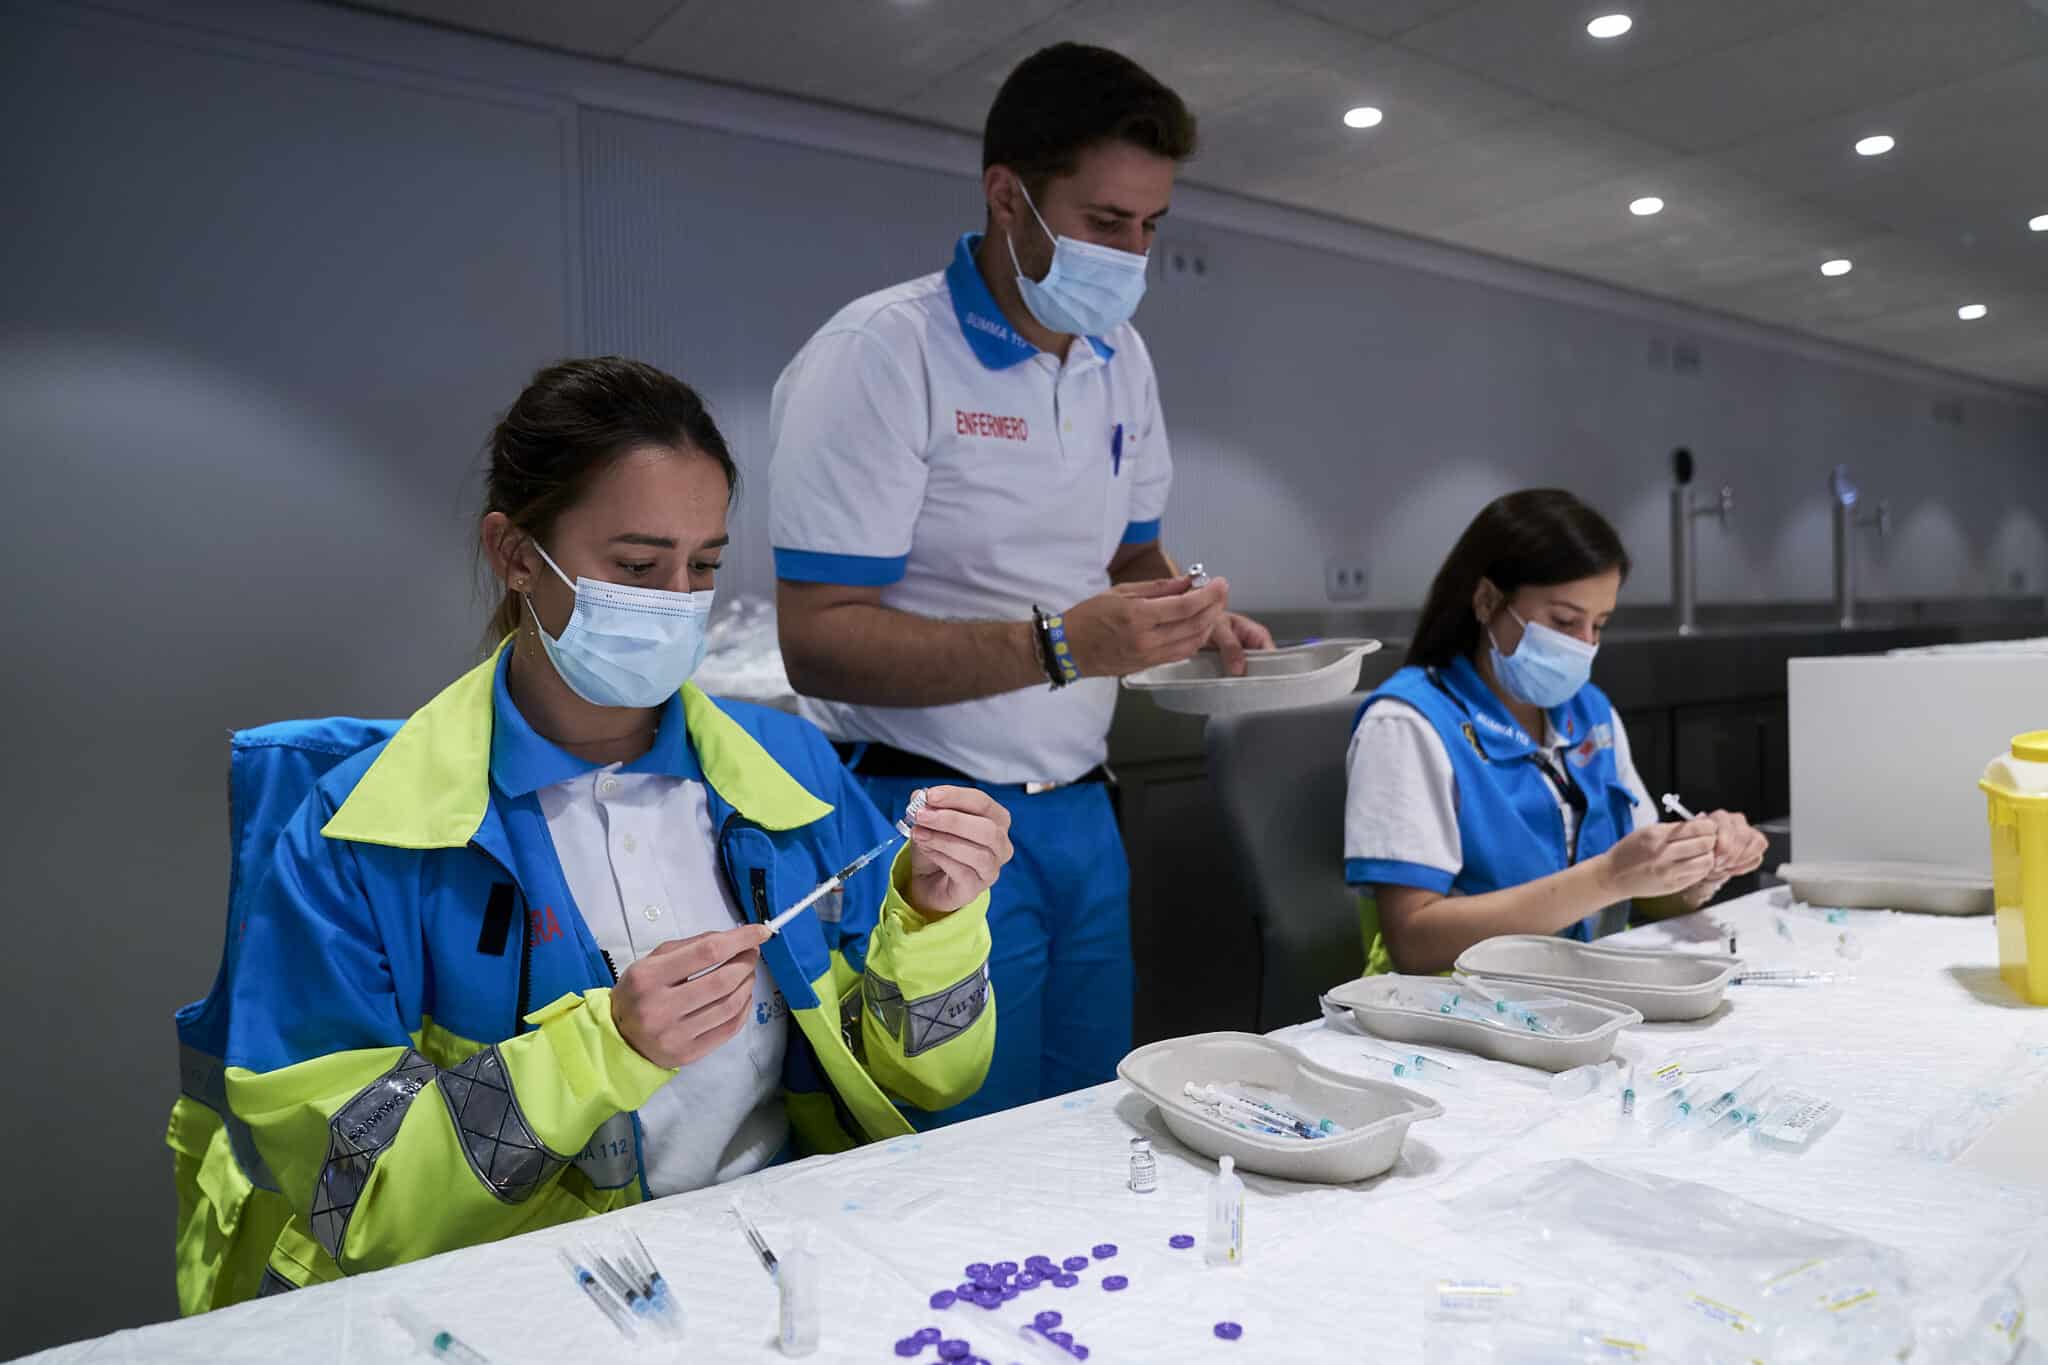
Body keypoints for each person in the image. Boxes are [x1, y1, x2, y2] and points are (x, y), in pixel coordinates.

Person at [174, 358, 1012, 1307]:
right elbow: (349, 1192)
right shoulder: (357, 837)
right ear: (518, 553)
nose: (677, 600)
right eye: (637, 566)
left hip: (781, 1274)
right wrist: (602, 1049)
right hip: (529, 1306)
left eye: (702, 565)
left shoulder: (792, 777)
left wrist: (933, 920)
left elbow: (926, 1080)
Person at [767, 43, 1271, 1121]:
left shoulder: (1115, 358)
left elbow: (1127, 553)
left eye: (1149, 227)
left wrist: (1189, 608)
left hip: (1080, 810)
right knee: (956, 1147)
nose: (1130, 254)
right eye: (1103, 222)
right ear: (1008, 197)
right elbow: (816, 637)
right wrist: (1060, 647)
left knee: (1088, 1122)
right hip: (922, 809)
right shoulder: (882, 353)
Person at [1343, 489, 1768, 976]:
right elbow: (1414, 942)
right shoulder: (1409, 725)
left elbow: (1647, 896)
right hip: (1456, 1013)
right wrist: (1609, 877)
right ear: (1486, 600)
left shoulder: (1590, 714)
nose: (1584, 647)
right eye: (1564, 621)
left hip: (1582, 994)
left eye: (1599, 624)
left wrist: (1693, 870)